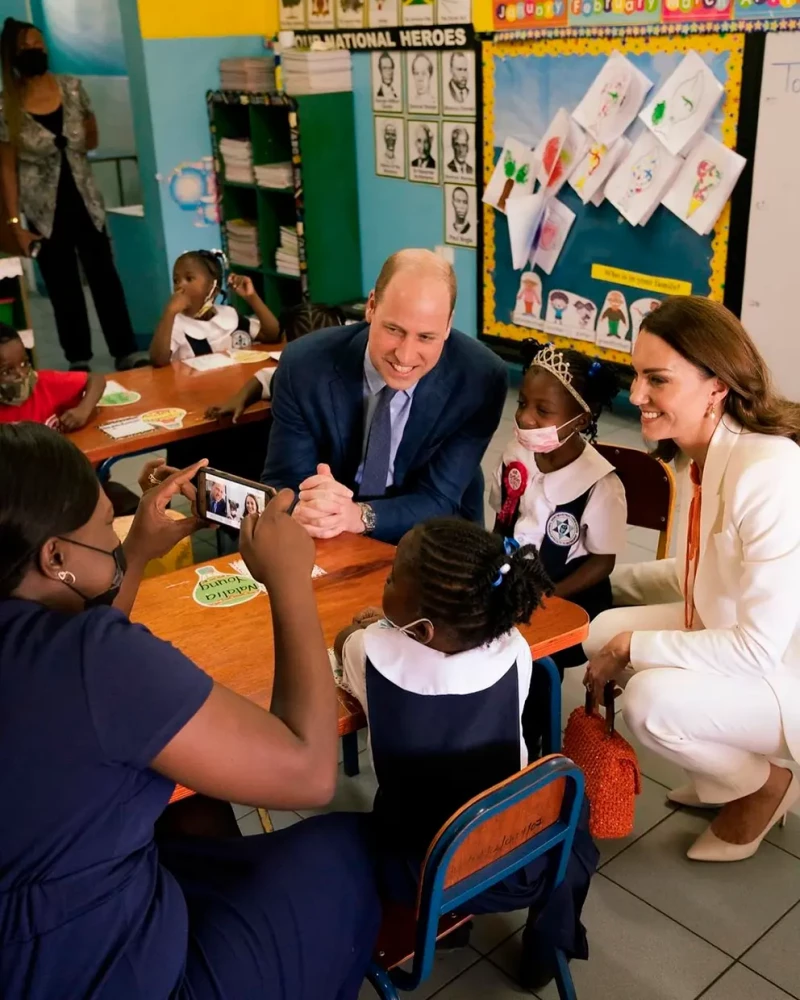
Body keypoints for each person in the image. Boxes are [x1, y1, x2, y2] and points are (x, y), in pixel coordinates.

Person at [0, 423, 380, 999]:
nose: (116, 534)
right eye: (108, 525)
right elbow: (307, 772)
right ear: (55, 556)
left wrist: (133, 553)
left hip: (34, 940)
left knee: (197, 814)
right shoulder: (101, 661)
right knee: (348, 853)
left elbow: (76, 649)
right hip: (99, 974)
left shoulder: (45, 637)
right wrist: (289, 581)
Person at [335, 518, 598, 991]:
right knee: (571, 813)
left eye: (393, 578)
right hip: (522, 854)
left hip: (419, 870)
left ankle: (435, 928)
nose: (386, 582)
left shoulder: (374, 653)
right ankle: (549, 945)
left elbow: (345, 643)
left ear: (426, 626)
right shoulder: (514, 648)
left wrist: (373, 624)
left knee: (341, 839)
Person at [583, 297, 800, 862]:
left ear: (717, 386)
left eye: (657, 379)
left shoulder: (769, 472)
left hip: (782, 669)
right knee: (598, 627)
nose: (635, 396)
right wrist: (590, 583)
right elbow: (698, 574)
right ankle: (730, 776)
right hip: (741, 636)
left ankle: (765, 783)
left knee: (650, 703)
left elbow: (756, 649)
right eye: (636, 375)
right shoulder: (704, 454)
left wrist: (635, 644)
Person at [261, 248, 508, 545]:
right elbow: (284, 482)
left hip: (432, 530)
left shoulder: (481, 378)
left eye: (426, 337)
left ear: (448, 325)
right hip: (332, 525)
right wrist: (308, 505)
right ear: (371, 307)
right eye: (394, 329)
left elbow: (439, 497)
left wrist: (359, 516)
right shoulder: (304, 364)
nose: (405, 355)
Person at [0, 19, 144, 372]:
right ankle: (78, 358)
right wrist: (15, 222)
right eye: (27, 46)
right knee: (64, 287)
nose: (37, 50)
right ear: (14, 55)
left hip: (86, 201)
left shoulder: (73, 88)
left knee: (105, 278)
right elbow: (6, 169)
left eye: (39, 43)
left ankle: (125, 349)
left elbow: (91, 138)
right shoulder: (7, 105)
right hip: (44, 212)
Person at [490, 341, 626, 668]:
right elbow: (501, 523)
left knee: (533, 661)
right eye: (523, 403)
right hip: (514, 583)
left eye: (542, 410)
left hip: (570, 598)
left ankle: (535, 703)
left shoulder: (599, 484)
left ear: (580, 419)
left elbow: (602, 563)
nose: (525, 417)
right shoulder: (515, 456)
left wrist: (549, 596)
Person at [149, 249, 279, 367]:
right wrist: (169, 312)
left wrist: (252, 297)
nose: (179, 286)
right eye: (176, 280)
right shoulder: (175, 324)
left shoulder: (229, 316)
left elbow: (272, 334)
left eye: (189, 279)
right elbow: (158, 360)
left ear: (213, 289)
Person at [0, 321, 105, 431]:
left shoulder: (44, 383)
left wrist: (83, 410)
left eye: (24, 363)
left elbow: (95, 379)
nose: (22, 374)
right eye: (6, 372)